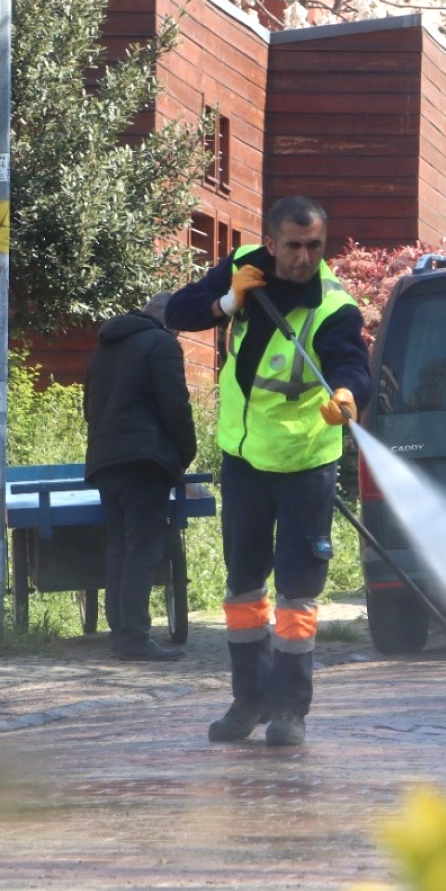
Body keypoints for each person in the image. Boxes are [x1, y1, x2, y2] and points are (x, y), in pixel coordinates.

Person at [165, 197, 370, 747]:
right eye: (294, 246)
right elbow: (177, 313)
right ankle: (247, 701)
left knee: (297, 597)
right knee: (243, 590)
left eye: (315, 246)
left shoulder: (334, 306)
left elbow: (350, 361)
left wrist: (349, 394)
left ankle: (289, 712)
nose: (304, 258)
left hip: (306, 463)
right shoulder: (243, 269)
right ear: (271, 242)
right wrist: (229, 301)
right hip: (244, 461)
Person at [84, 292, 197, 662]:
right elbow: (175, 403)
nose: (180, 335)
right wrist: (185, 452)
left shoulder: (104, 347)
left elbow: (90, 406)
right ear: (170, 319)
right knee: (143, 547)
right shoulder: (161, 343)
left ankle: (121, 632)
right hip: (145, 459)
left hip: (106, 459)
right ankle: (133, 637)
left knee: (119, 545)